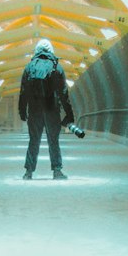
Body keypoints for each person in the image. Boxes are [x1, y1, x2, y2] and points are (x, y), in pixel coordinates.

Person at [18, 38, 74, 180]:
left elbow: (23, 91)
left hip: (35, 109)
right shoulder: (57, 67)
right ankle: (57, 170)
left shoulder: (29, 67)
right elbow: (63, 93)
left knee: (34, 140)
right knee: (53, 140)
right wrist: (69, 113)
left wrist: (22, 110)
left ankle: (28, 172)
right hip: (52, 109)